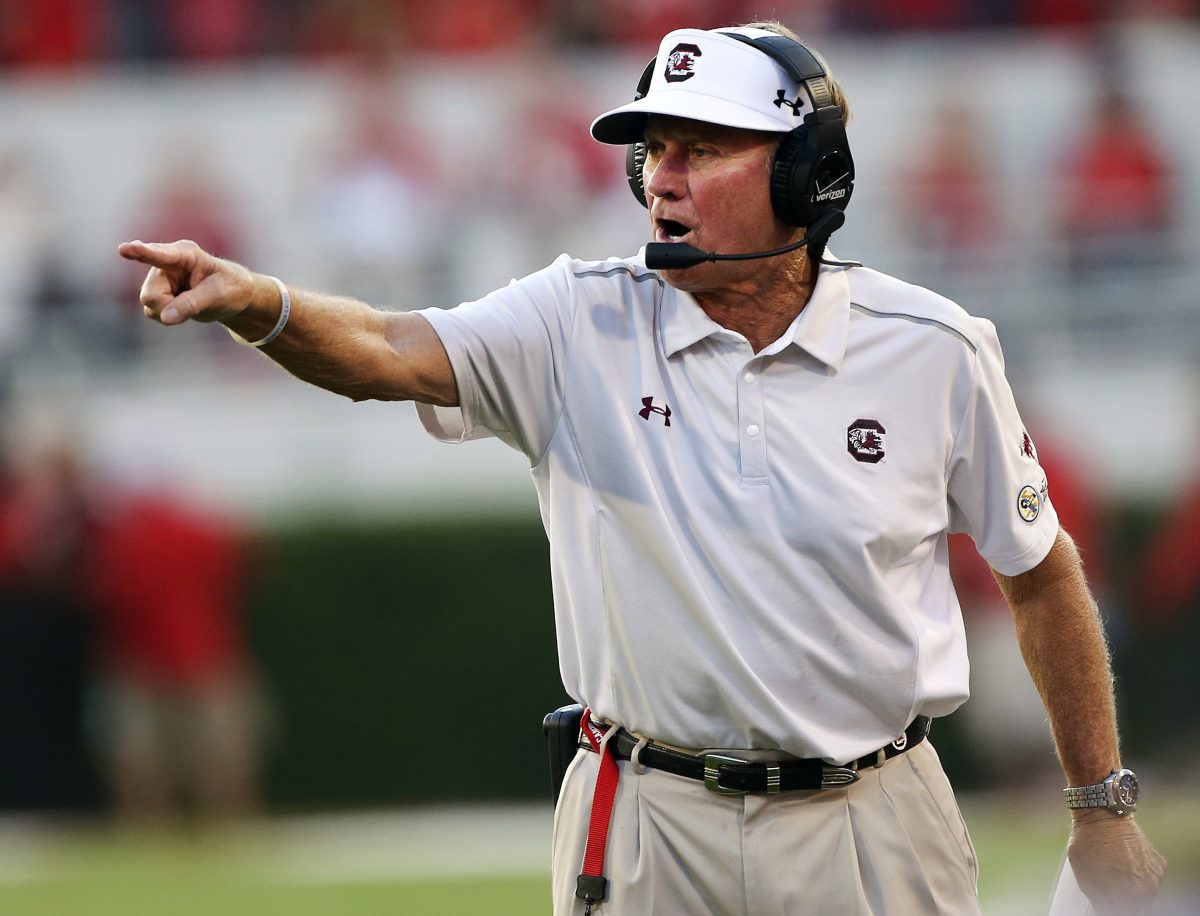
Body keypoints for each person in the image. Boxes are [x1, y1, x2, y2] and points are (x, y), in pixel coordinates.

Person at [119, 21, 1165, 915]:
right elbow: (385, 351)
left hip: (875, 816)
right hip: (644, 817)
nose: (661, 177)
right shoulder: (575, 317)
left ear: (806, 174)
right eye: (654, 149)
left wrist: (1101, 806)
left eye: (703, 149)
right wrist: (259, 303)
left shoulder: (935, 348)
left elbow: (1041, 574)